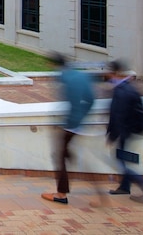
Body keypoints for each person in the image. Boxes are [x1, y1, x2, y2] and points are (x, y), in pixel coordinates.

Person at [42, 53, 94, 205]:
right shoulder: (80, 75)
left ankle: (61, 194)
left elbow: (72, 104)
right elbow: (90, 100)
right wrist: (82, 117)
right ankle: (73, 161)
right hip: (79, 123)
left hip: (71, 125)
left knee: (59, 157)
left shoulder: (66, 79)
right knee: (65, 153)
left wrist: (68, 124)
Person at [106, 60, 143, 205]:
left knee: (123, 163)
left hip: (125, 130)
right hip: (129, 130)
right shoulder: (125, 87)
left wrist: (112, 135)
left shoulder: (122, 91)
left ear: (115, 73)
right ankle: (124, 187)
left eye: (109, 72)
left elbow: (118, 114)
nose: (107, 75)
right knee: (123, 159)